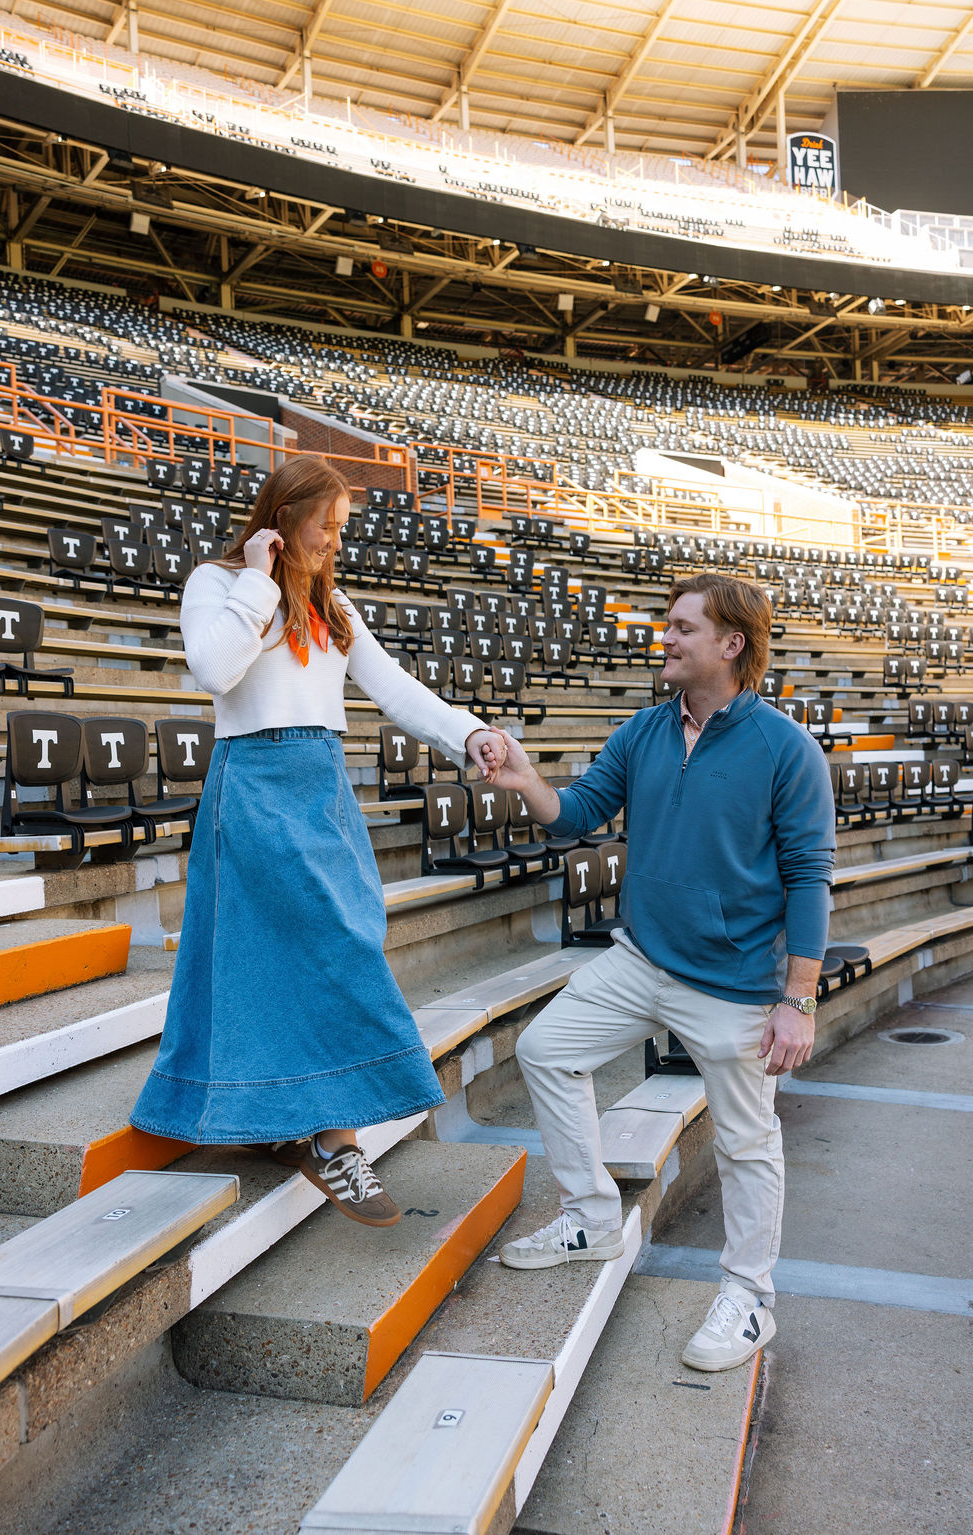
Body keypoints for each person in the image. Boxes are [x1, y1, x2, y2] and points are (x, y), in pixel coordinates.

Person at [131, 455, 506, 1227]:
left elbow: (396, 687)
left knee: (347, 935)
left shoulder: (335, 608)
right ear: (284, 515)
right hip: (254, 782)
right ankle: (337, 1143)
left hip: (322, 782)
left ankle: (295, 1123)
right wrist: (259, 578)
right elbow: (214, 668)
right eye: (325, 524)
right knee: (292, 950)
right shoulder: (217, 583)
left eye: (341, 528)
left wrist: (467, 732)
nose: (335, 540)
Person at [490, 572, 835, 1372]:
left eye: (683, 627)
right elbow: (578, 814)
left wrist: (799, 999)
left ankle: (750, 1296)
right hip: (642, 959)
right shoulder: (644, 730)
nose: (666, 637)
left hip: (736, 985)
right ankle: (590, 1216)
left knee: (747, 1142)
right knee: (546, 1049)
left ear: (731, 643)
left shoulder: (787, 749)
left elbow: (809, 877)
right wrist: (525, 779)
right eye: (668, 624)